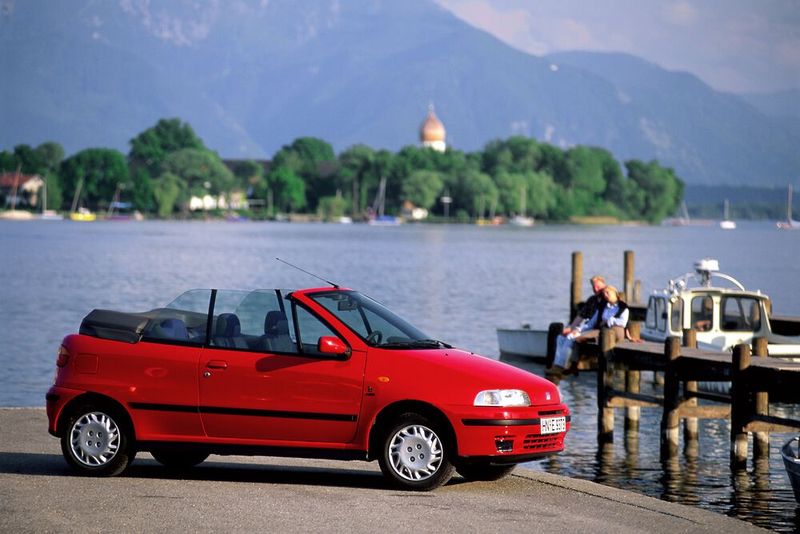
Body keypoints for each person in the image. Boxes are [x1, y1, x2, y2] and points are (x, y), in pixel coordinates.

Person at [548, 285, 629, 380]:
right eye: (604, 293)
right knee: (565, 337)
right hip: (600, 331)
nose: (606, 295)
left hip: (613, 334)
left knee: (574, 338)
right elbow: (591, 323)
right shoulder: (602, 306)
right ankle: (561, 366)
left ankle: (563, 367)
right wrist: (578, 329)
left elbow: (623, 322)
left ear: (615, 293)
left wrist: (609, 320)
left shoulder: (623, 307)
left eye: (608, 293)